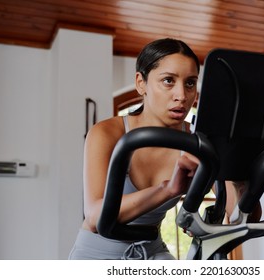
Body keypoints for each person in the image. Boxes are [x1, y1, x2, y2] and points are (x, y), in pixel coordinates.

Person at [69, 38, 201, 260]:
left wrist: (239, 176)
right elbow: (94, 217)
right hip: (98, 253)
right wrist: (168, 189)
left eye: (190, 83)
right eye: (168, 81)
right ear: (141, 83)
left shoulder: (197, 141)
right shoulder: (107, 133)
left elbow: (241, 213)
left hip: (151, 250)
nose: (182, 95)